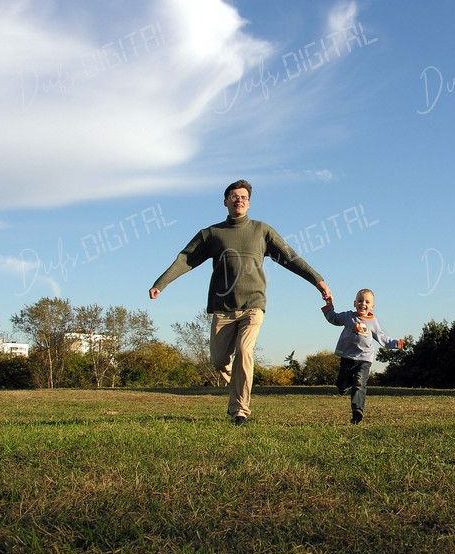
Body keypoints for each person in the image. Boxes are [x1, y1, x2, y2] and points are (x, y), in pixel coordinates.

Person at [149, 180, 331, 426]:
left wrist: (318, 281)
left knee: (245, 352)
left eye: (244, 197)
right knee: (218, 361)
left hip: (253, 305)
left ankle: (240, 410)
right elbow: (186, 259)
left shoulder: (262, 231)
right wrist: (161, 283)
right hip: (223, 308)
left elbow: (290, 257)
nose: (239, 200)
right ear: (225, 201)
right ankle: (236, 383)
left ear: (249, 203)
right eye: (234, 196)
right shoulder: (211, 233)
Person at [322, 288, 403, 424]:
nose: (363, 304)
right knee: (342, 383)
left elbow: (381, 337)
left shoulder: (373, 321)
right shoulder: (348, 317)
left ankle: (357, 411)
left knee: (359, 383)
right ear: (355, 303)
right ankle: (343, 387)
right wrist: (329, 304)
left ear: (372, 306)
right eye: (360, 301)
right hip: (347, 356)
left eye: (367, 302)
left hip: (365, 359)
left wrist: (396, 343)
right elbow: (333, 318)